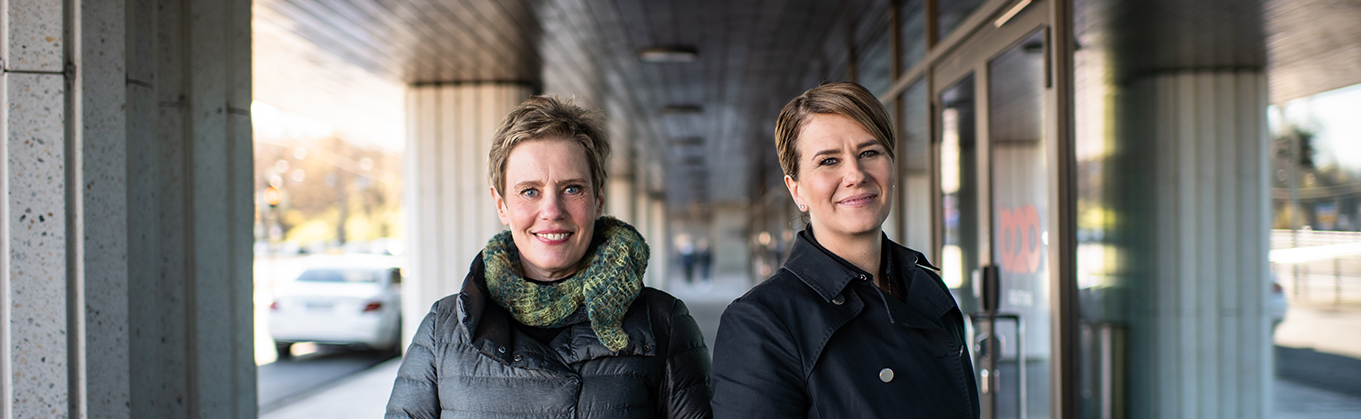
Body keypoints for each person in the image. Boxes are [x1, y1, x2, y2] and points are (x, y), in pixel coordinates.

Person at [385, 96, 713, 419]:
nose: (552, 211)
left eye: (572, 189)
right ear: (501, 205)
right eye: (530, 191)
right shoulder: (442, 331)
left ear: (598, 200)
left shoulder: (663, 322)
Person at [710, 82, 980, 418]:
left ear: (891, 165)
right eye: (828, 161)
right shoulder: (762, 322)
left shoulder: (926, 285)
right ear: (797, 191)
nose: (855, 174)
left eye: (869, 153)